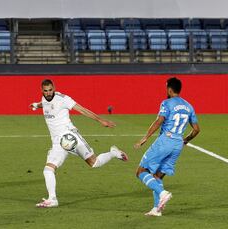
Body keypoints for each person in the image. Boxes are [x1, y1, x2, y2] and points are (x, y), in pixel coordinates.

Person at [30, 79, 128, 208]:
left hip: (71, 137)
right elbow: (45, 103)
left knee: (94, 164)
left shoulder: (63, 99)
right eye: (45, 91)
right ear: (42, 91)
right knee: (48, 170)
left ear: (54, 88)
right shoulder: (44, 99)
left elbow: (82, 110)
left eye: (50, 90)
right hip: (57, 143)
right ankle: (52, 199)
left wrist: (101, 120)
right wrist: (37, 105)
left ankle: (113, 153)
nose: (48, 93)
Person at [134, 77, 200, 216]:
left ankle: (162, 193)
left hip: (165, 141)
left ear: (169, 89)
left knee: (140, 172)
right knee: (157, 176)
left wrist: (144, 138)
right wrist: (185, 140)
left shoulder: (167, 103)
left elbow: (159, 121)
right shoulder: (189, 106)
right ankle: (157, 210)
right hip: (177, 145)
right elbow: (196, 129)